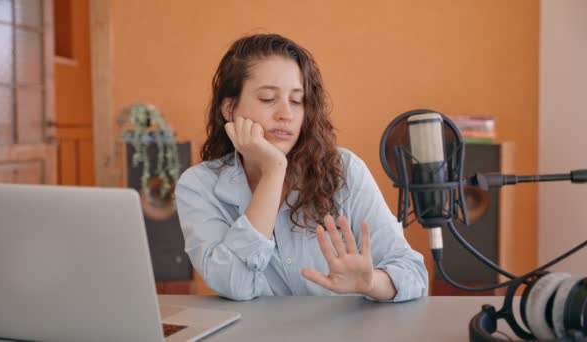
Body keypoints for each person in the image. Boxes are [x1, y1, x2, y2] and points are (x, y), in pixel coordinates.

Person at [176, 33, 428, 302]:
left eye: (297, 101)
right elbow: (234, 284)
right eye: (268, 98)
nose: (286, 114)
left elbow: (413, 274)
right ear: (229, 108)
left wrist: (370, 283)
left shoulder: (345, 170)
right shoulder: (199, 185)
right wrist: (274, 171)